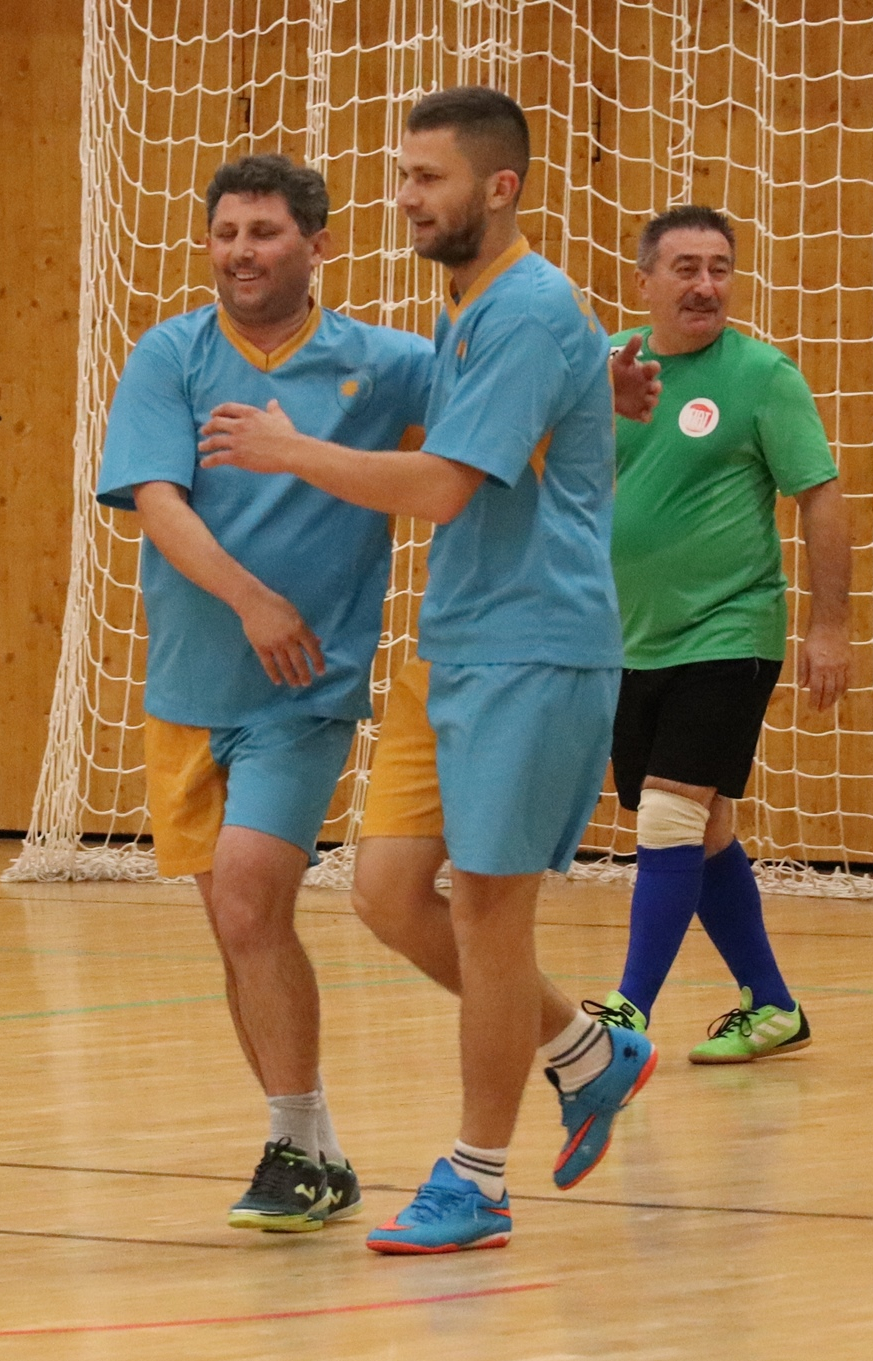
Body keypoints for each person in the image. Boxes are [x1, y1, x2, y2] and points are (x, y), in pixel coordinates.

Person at [201, 87, 657, 1255]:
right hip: (455, 641)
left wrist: (291, 449)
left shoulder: (529, 309)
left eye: (427, 177)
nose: (405, 196)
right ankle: (588, 1049)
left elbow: (446, 485)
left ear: (499, 188)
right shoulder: (470, 311)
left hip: (534, 647)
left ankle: (479, 1178)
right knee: (389, 891)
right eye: (403, 174)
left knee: (494, 914)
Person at [95, 154, 432, 1232]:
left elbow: (498, 405)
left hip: (304, 686)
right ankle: (316, 1149)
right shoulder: (172, 354)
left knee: (248, 896)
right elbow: (159, 501)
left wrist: (604, 387)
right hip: (190, 687)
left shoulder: (384, 364)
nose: (241, 251)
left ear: (317, 245)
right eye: (227, 232)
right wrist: (249, 599)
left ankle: (290, 1146)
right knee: (239, 931)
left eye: (266, 232)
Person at [588, 205, 851, 1061]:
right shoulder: (611, 369)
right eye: (686, 268)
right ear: (645, 282)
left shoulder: (763, 376)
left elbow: (819, 494)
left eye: (720, 268)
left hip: (731, 630)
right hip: (630, 641)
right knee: (702, 831)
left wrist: (829, 627)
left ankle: (627, 1014)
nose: (706, 285)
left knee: (669, 814)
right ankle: (772, 1005)